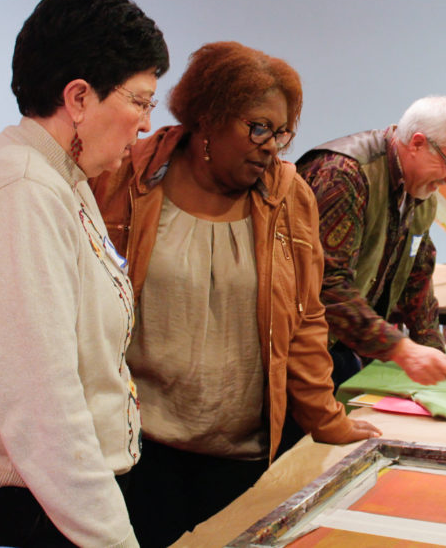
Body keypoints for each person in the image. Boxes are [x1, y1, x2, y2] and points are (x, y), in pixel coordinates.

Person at [0, 0, 169, 547]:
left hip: (32, 494)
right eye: (140, 100)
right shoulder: (22, 193)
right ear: (78, 98)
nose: (146, 123)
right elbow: (43, 408)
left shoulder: (56, 176)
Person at [90, 41, 381, 547]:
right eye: (258, 127)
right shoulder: (128, 179)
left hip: (243, 453)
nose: (272, 145)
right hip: (142, 448)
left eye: (282, 132)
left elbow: (307, 320)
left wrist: (327, 418)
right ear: (207, 119)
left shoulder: (289, 197)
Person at [296, 96, 446, 387]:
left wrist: (433, 351)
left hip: (344, 343)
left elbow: (417, 275)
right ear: (417, 143)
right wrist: (402, 350)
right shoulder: (343, 174)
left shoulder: (422, 193)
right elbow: (325, 285)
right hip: (298, 352)